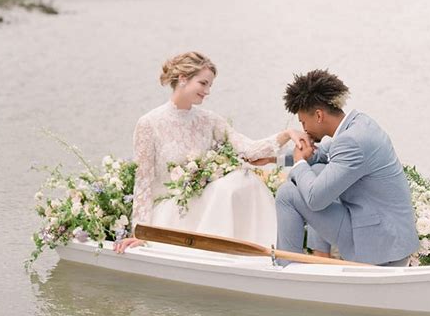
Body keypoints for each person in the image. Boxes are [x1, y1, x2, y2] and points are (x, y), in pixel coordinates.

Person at [114, 51, 306, 253]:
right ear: (182, 79)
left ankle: (266, 251)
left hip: (205, 203)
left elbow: (250, 150)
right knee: (226, 189)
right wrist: (140, 233)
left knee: (244, 179)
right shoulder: (149, 123)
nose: (207, 91)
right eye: (203, 83)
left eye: (210, 85)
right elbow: (143, 181)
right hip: (171, 210)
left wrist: (287, 134)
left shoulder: (210, 120)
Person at [274, 69, 419, 266]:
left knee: (288, 194)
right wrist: (273, 160)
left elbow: (315, 199)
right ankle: (297, 261)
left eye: (303, 121)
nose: (304, 129)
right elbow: (319, 153)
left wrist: (299, 164)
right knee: (315, 171)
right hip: (383, 232)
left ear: (318, 115)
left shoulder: (352, 141)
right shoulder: (358, 124)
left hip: (380, 244)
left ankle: (287, 269)